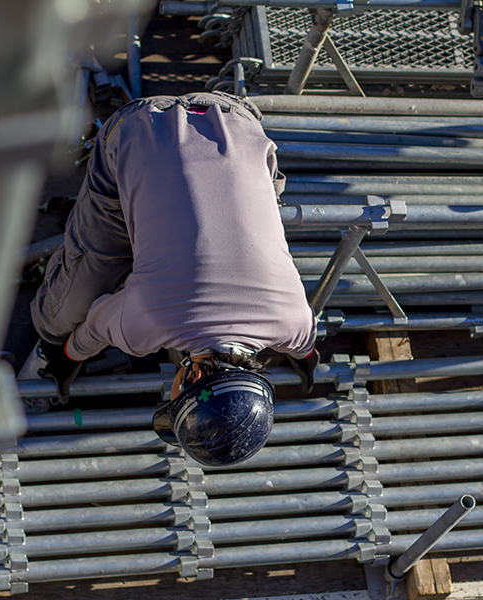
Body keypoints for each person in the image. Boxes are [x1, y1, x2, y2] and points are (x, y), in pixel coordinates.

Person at [19, 92, 320, 466]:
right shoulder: (145, 327)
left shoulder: (293, 321)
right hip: (140, 126)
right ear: (192, 374)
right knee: (61, 313)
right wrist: (64, 359)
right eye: (175, 395)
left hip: (237, 120)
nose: (170, 392)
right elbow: (90, 331)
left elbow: (306, 344)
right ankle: (40, 358)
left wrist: (307, 363)